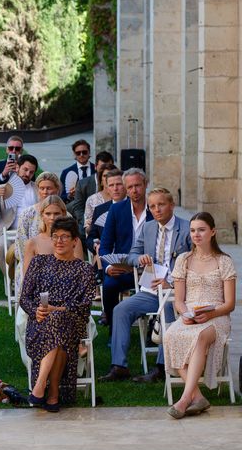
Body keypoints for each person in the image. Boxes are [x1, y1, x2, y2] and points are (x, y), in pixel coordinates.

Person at [100, 188, 192, 383]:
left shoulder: (186, 229)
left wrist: (173, 284)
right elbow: (131, 255)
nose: (156, 209)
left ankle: (160, 367)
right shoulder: (148, 228)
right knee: (121, 309)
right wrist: (138, 258)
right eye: (152, 206)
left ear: (172, 205)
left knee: (167, 309)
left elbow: (196, 264)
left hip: (176, 292)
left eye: (161, 204)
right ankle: (119, 366)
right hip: (151, 289)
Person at [164, 212, 236, 419]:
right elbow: (179, 300)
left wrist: (211, 312)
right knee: (171, 336)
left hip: (217, 316)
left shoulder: (224, 261)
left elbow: (229, 304)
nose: (196, 234)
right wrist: (185, 314)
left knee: (200, 337)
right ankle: (198, 397)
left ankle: (185, 399)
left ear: (212, 232)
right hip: (190, 314)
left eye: (201, 230)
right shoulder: (183, 260)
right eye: (193, 230)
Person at [19, 217, 95, 411]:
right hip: (40, 323)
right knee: (57, 326)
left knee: (59, 320)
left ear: (75, 241)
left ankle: (39, 387)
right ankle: (52, 393)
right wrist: (36, 311)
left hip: (72, 321)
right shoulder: (39, 263)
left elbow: (84, 306)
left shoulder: (84, 269)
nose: (59, 241)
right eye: (55, 237)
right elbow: (24, 298)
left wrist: (57, 310)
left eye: (65, 237)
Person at [97, 168, 152, 331]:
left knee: (155, 288)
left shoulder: (155, 209)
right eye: (129, 187)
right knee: (109, 285)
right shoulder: (116, 210)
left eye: (138, 185)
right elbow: (105, 245)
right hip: (124, 268)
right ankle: (114, 330)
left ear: (145, 184)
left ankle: (152, 330)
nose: (134, 191)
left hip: (150, 268)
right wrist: (108, 267)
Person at [0, 154, 39, 273]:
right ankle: (11, 279)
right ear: (17, 168)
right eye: (25, 169)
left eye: (31, 172)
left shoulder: (38, 189)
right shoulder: (3, 187)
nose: (27, 174)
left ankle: (32, 280)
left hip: (33, 233)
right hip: (9, 232)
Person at [22, 197, 84, 276]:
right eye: (48, 214)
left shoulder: (74, 241)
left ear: (64, 214)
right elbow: (27, 277)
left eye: (56, 213)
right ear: (42, 215)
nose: (52, 218)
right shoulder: (32, 243)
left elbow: (80, 272)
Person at [15, 171, 62, 262]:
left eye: (49, 188)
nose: (45, 192)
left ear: (57, 189)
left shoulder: (65, 215)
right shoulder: (27, 214)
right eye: (42, 188)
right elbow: (20, 248)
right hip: (32, 264)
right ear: (37, 190)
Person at [68, 151, 114, 229]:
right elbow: (78, 208)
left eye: (109, 166)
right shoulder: (82, 184)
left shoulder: (121, 182)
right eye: (102, 167)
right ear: (95, 167)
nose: (106, 170)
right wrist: (87, 225)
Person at [81, 163, 117, 234]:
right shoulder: (92, 200)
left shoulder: (121, 198)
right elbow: (87, 229)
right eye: (105, 176)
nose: (108, 178)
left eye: (111, 175)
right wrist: (92, 226)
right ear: (100, 180)